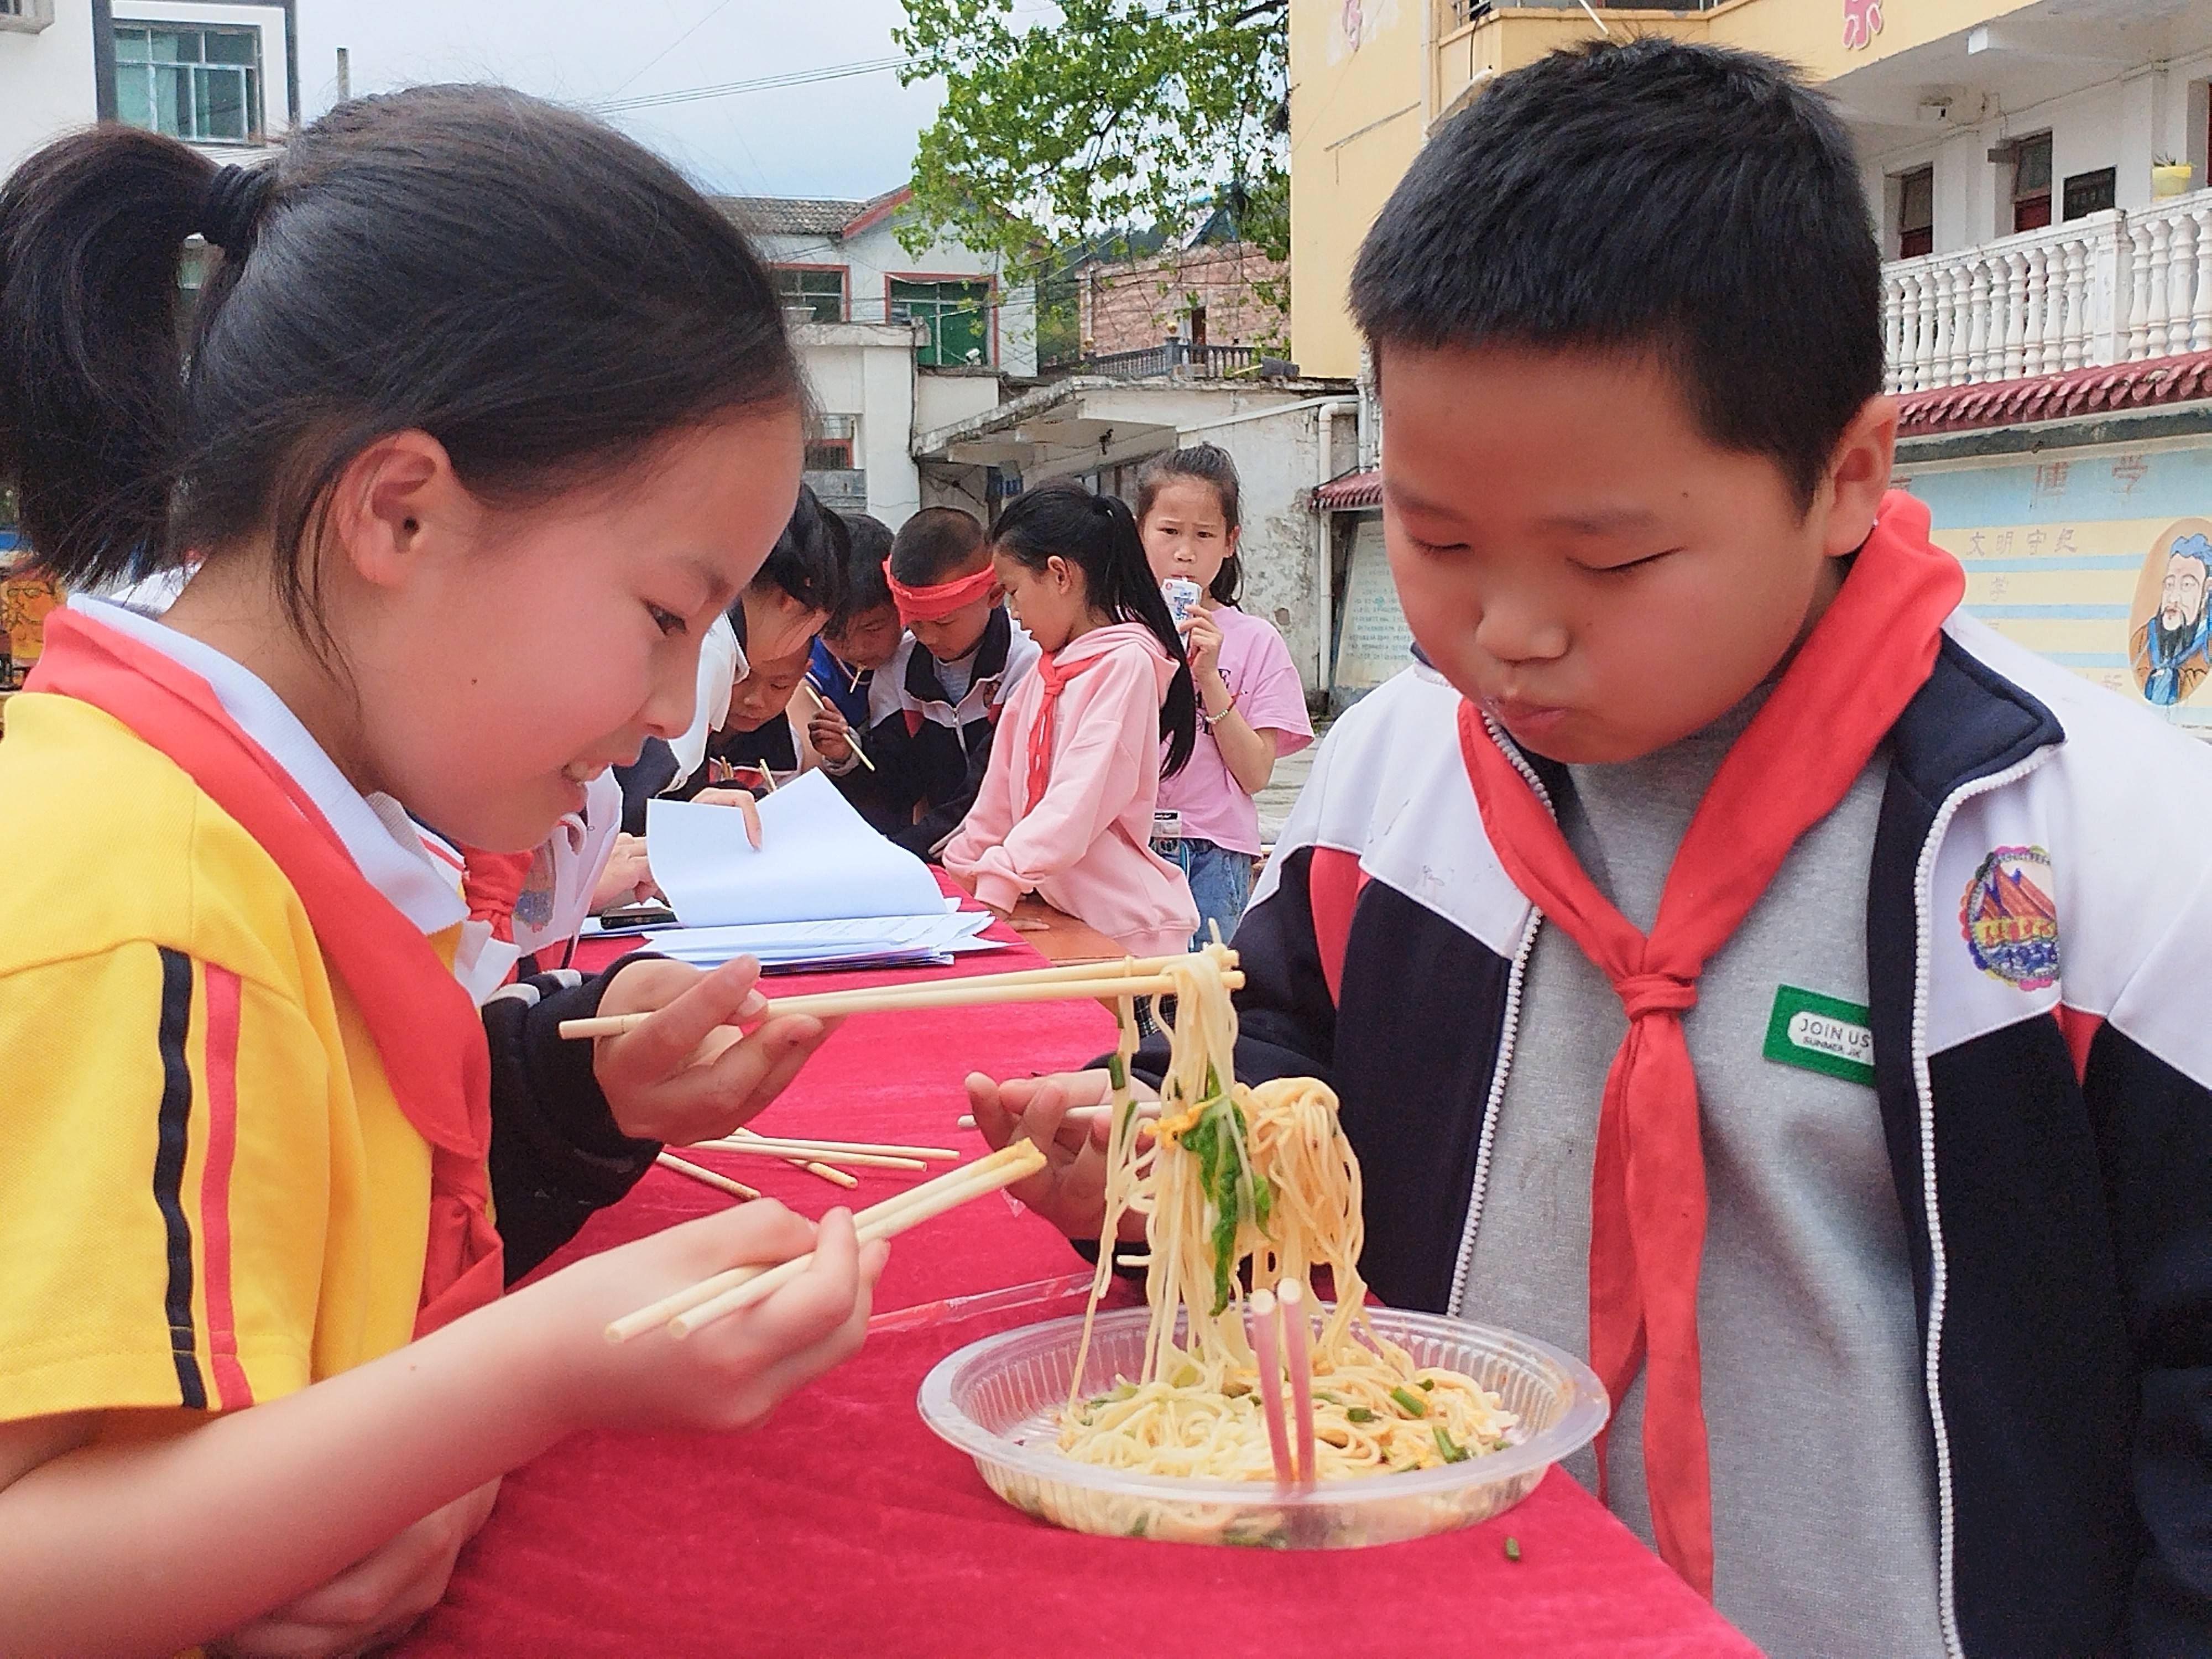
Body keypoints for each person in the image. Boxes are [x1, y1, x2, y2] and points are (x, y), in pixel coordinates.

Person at [963, 39, 2212, 1659]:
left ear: (1844, 476)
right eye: (1435, 538)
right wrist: (1139, 1157)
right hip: (1437, 1609)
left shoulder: (2100, 848)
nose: (1508, 631)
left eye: (1610, 554)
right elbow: (1268, 1062)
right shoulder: (1395, 778)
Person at [0, 92, 884, 1656]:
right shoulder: (149, 896)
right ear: (398, 510)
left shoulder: (275, 841)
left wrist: (577, 1090)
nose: (674, 709)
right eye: (668, 615)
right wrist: (530, 1374)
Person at [942, 482, 1198, 954]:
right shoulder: (1044, 673)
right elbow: (997, 802)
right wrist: (960, 877)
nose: (1014, 615)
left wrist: (997, 884)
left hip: (1126, 933)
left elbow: (1075, 802)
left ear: (1060, 574)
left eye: (1014, 592)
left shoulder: (1126, 666)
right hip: (1059, 917)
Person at [1135, 444, 1313, 947]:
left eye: (1204, 535)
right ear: (1139, 531)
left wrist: (1210, 677)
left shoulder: (1256, 640)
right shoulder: (1119, 632)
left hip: (1216, 854)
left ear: (1230, 541)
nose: (1185, 552)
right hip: (1130, 848)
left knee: (1204, 1006)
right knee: (1137, 1005)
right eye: (1169, 532)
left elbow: (1256, 773)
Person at [614, 486, 847, 832]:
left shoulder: (702, 628)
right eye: (815, 627)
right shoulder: (712, 648)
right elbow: (640, 792)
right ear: (793, 601)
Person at [855, 506, 1040, 855]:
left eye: (942, 623)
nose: (927, 637)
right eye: (915, 622)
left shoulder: (1026, 663)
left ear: (994, 594)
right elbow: (894, 785)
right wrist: (849, 757)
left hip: (1013, 851)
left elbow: (988, 790)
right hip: (931, 851)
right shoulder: (897, 667)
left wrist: (896, 852)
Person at [810, 510, 899, 728]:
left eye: (872, 628)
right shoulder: (809, 665)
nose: (858, 649)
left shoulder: (923, 655)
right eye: (834, 634)